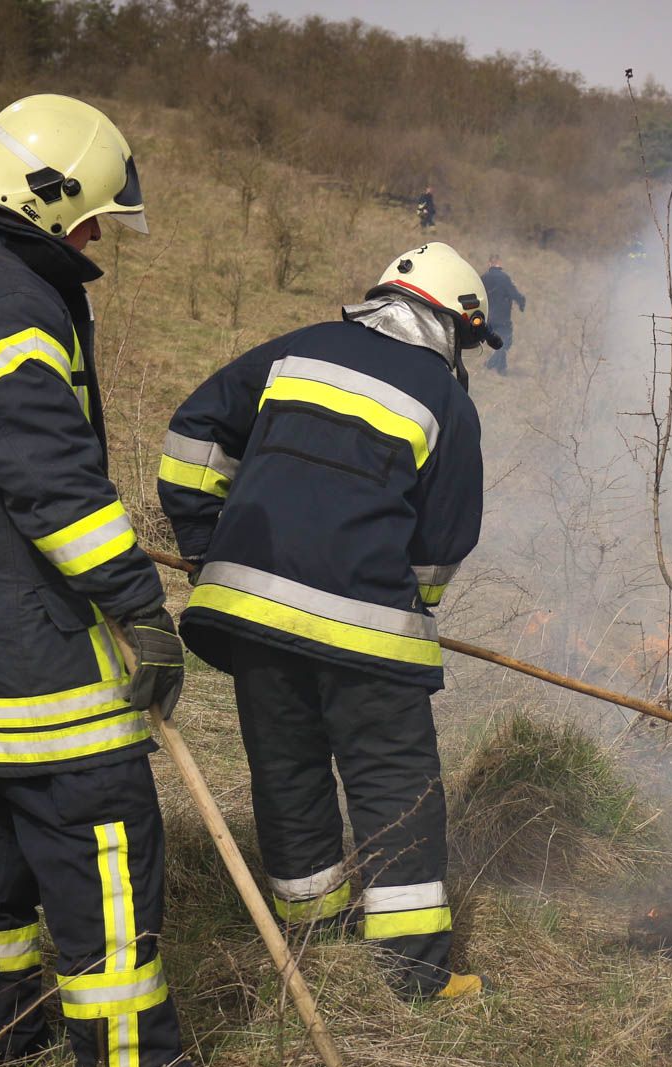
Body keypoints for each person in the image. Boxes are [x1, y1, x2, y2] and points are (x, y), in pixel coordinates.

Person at [0, 94, 239, 1067]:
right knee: (107, 845)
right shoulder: (4, 302)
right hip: (29, 653)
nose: (93, 240)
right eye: (90, 220)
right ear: (44, 200)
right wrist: (141, 610)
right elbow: (49, 481)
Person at [157, 243, 492, 1000]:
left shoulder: (296, 350)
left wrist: (208, 547)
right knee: (394, 783)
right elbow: (441, 546)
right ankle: (411, 975)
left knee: (287, 764)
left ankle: (312, 930)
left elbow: (192, 435)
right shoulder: (447, 403)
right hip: (366, 629)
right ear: (452, 322)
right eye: (469, 338)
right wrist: (411, 609)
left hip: (247, 611)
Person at [480, 254, 526, 374]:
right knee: (505, 343)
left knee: (501, 342)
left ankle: (501, 368)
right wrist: (521, 302)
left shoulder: (483, 278)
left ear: (489, 263)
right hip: (502, 318)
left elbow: (478, 295)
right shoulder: (504, 278)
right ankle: (491, 364)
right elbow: (513, 293)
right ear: (500, 263)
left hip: (489, 318)